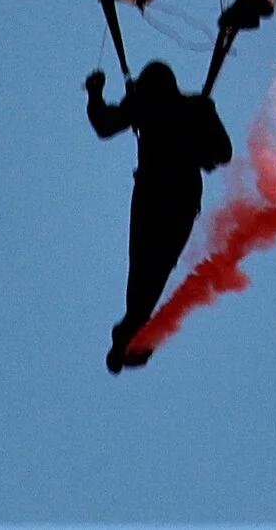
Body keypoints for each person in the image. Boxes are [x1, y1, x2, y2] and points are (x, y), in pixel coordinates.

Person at [86, 59, 232, 372]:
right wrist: (203, 141)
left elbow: (105, 124)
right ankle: (133, 330)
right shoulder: (195, 108)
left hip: (156, 195)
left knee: (144, 265)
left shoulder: (149, 105)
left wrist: (95, 94)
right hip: (180, 198)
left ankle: (133, 330)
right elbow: (223, 152)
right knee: (155, 266)